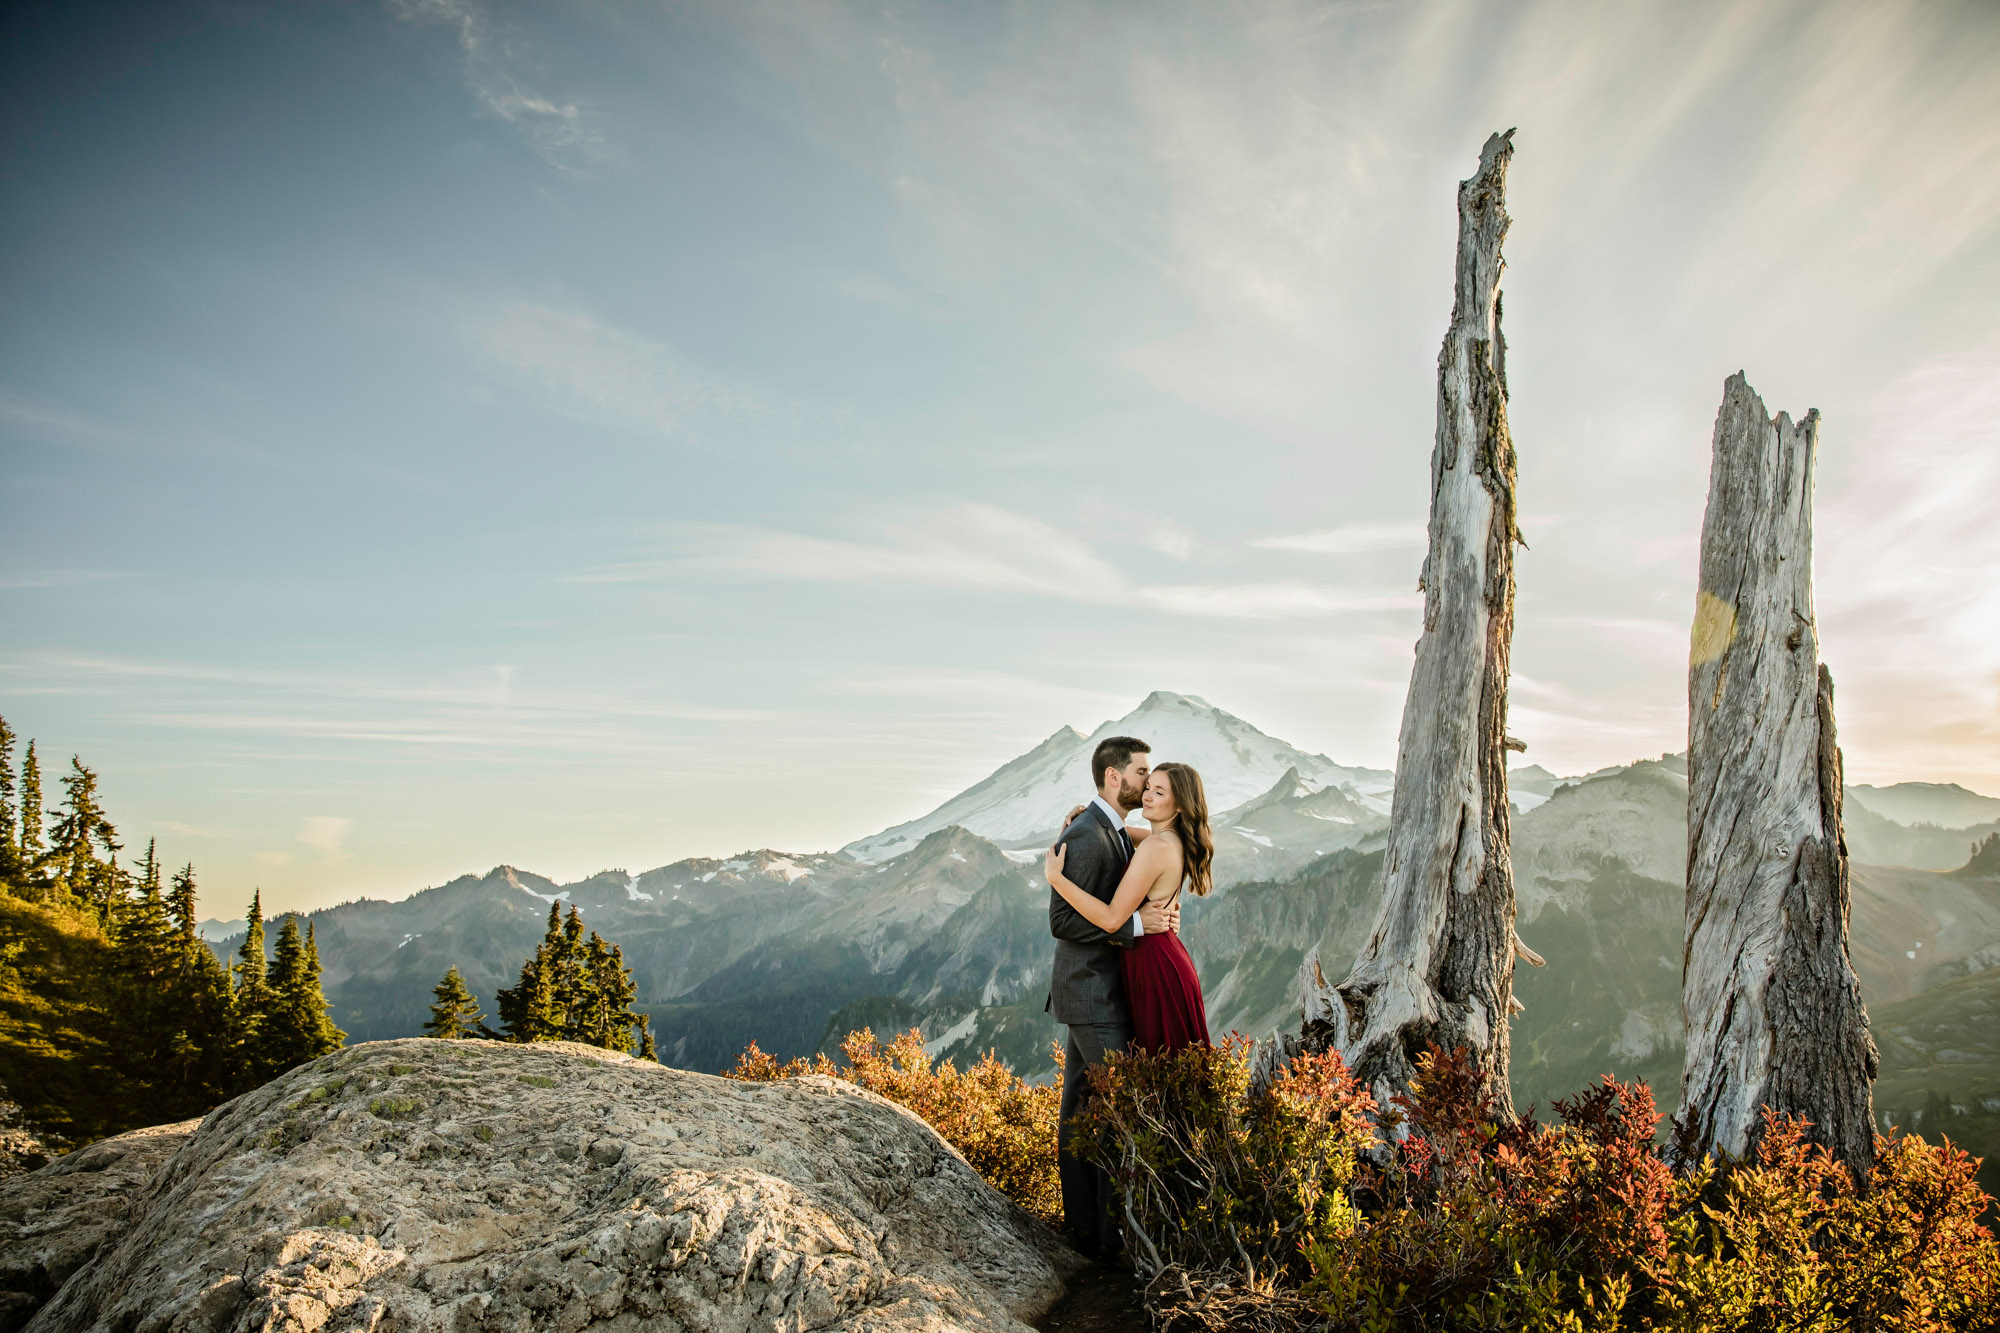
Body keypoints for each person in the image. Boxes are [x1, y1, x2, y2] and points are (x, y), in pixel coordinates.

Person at [1044, 735, 1181, 1262]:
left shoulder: (1112, 828)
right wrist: (1135, 929)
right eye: (1141, 771)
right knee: (1117, 1111)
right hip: (1091, 995)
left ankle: (1091, 1232)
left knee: (1083, 1111)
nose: (1148, 780)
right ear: (1113, 777)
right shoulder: (1086, 834)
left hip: (1099, 992)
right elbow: (1060, 920)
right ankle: (1106, 1236)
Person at [1046, 761, 1213, 1056]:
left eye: (1159, 792)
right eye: (1148, 787)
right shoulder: (1173, 840)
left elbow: (1111, 918)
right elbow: (1119, 830)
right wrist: (1090, 815)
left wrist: (1057, 880)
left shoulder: (1155, 847)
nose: (1146, 796)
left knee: (1155, 1072)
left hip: (1152, 962)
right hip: (1167, 956)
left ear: (1179, 806)